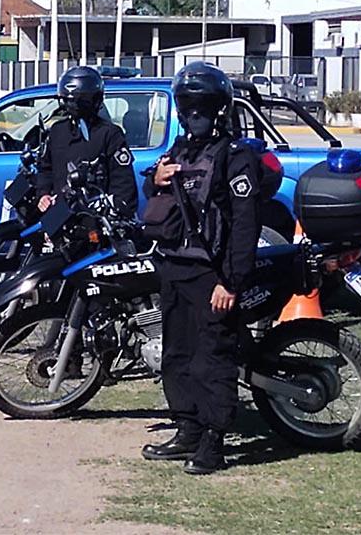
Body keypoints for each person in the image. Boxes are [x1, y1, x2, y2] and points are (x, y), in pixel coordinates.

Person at [140, 61, 261, 475]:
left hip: (213, 275)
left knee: (212, 358)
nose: (194, 117)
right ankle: (187, 428)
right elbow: (156, 195)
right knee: (177, 355)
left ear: (218, 109)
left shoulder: (235, 156)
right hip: (174, 267)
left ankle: (213, 440)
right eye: (187, 108)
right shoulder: (179, 151)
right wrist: (155, 179)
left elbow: (245, 223)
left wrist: (231, 281)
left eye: (201, 108)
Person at [36, 66, 138, 218]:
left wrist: (112, 212)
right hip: (59, 215)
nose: (72, 106)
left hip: (94, 216)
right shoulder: (57, 131)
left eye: (77, 101)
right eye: (68, 101)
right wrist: (44, 194)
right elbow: (45, 169)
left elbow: (123, 183)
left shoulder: (109, 134)